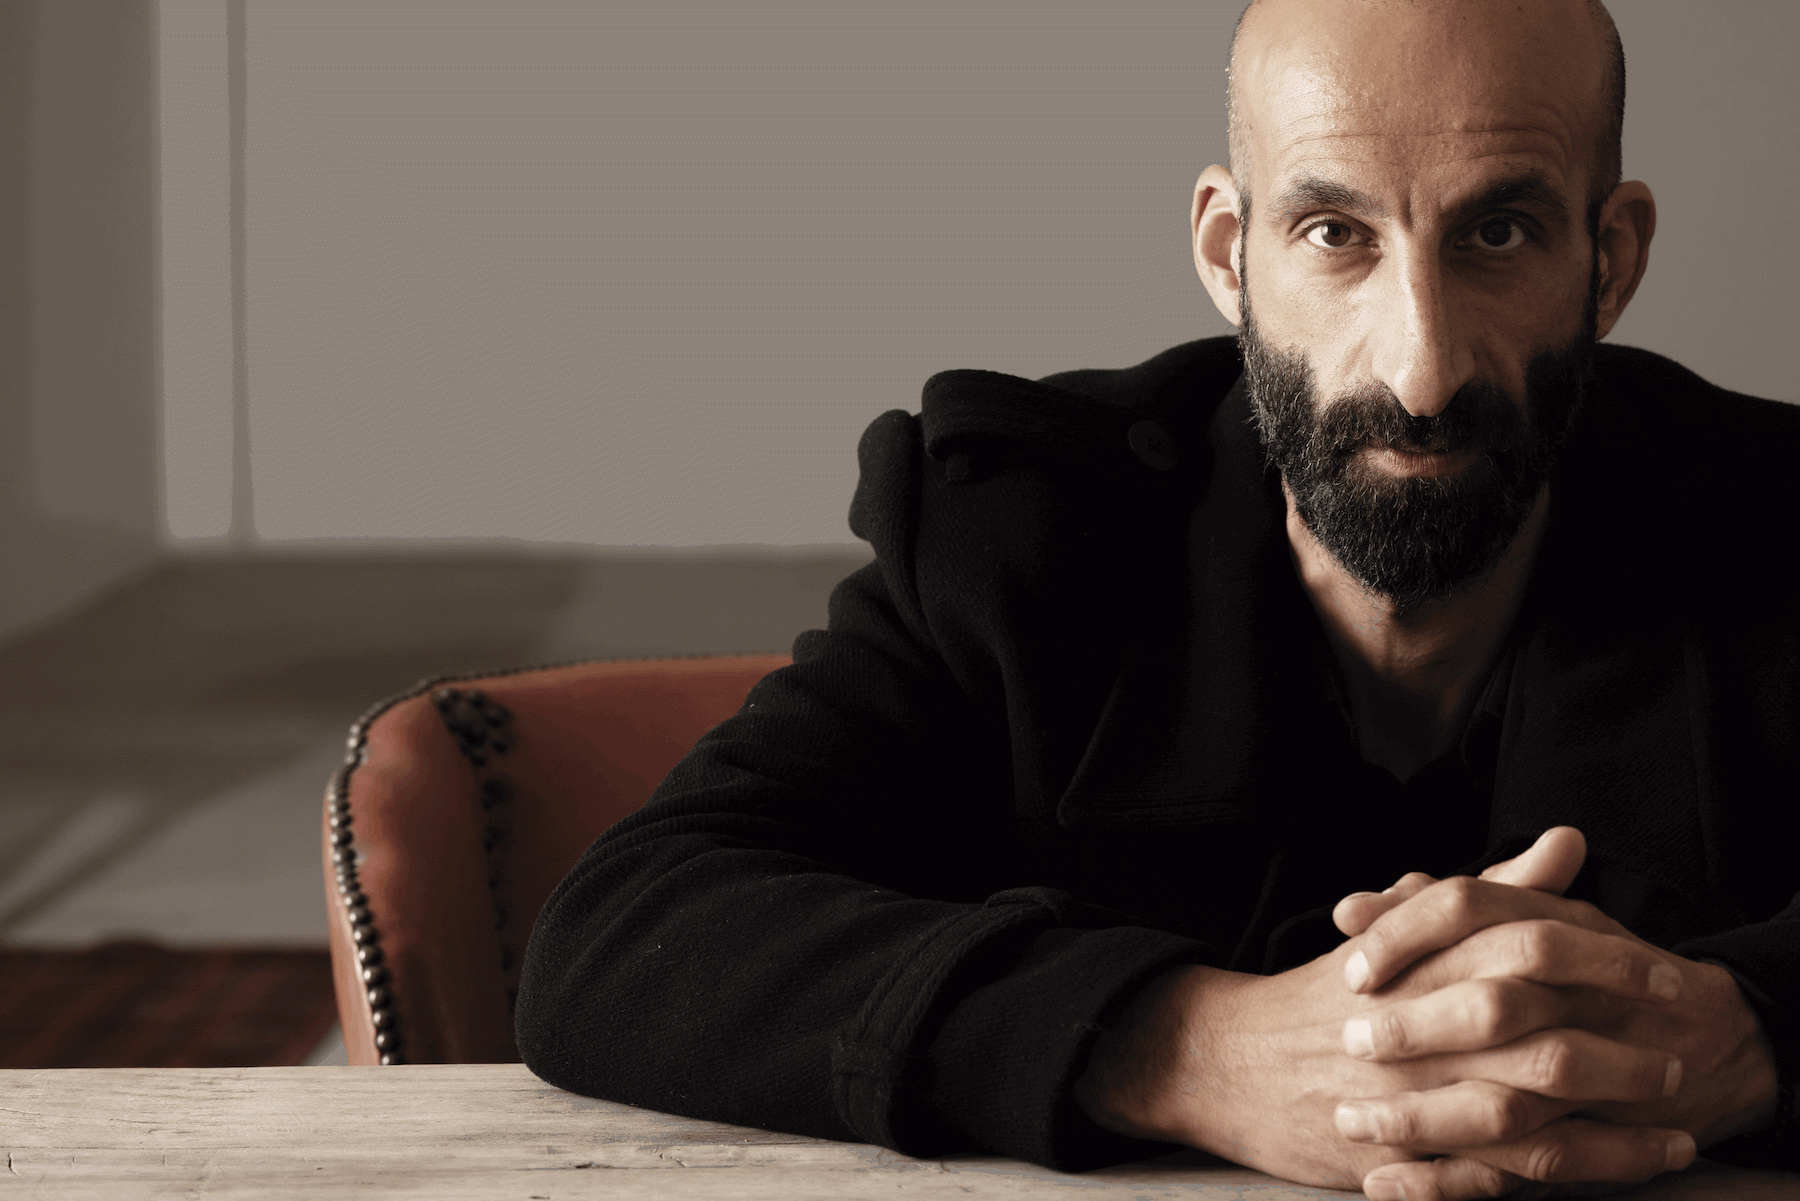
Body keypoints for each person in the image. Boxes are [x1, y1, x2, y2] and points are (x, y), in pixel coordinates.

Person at [516, 1, 1800, 1197]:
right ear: (1230, 253)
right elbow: (630, 931)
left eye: (1498, 234)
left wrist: (1758, 1033)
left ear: (1610, 259)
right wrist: (1185, 1046)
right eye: (1335, 234)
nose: (1420, 371)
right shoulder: (1014, 537)